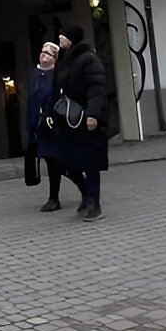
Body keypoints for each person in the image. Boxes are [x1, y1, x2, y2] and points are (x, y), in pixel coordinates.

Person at [51, 25, 109, 220]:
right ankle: (86, 193)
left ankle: (94, 203)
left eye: (63, 35)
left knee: (90, 161)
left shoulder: (89, 59)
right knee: (66, 160)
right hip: (68, 119)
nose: (60, 38)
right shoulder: (65, 60)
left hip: (84, 119)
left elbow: (96, 88)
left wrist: (92, 114)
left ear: (71, 39)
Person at [26, 41, 63, 211]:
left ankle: (55, 198)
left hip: (51, 124)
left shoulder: (56, 76)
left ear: (55, 58)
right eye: (43, 51)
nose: (44, 55)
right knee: (49, 160)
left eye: (48, 53)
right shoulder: (35, 74)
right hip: (37, 125)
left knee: (54, 161)